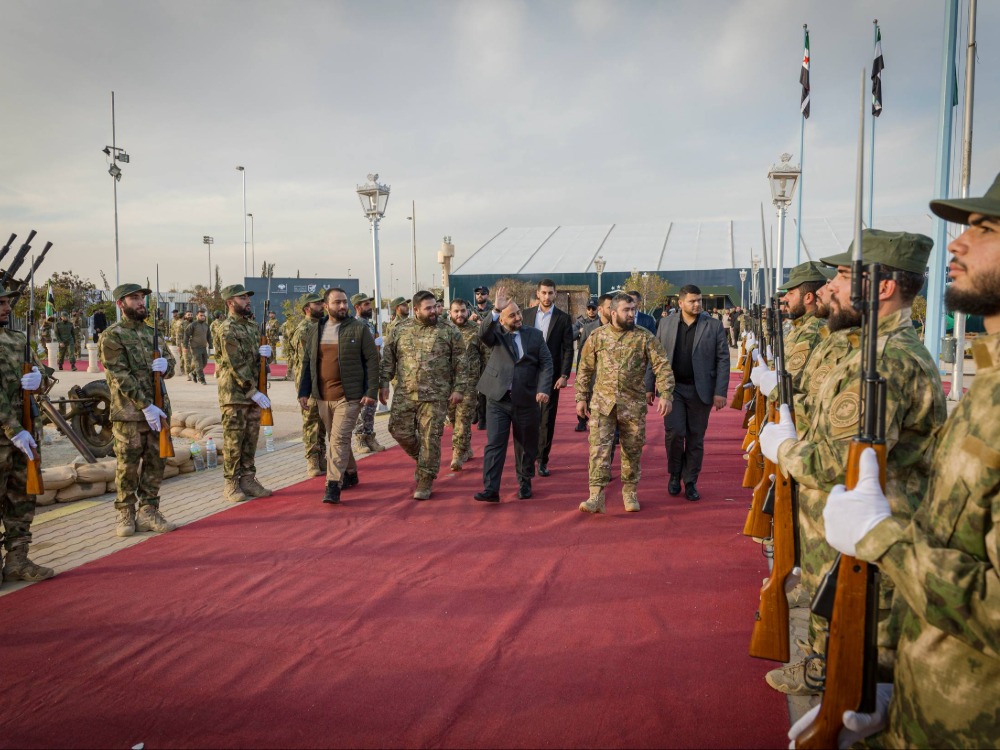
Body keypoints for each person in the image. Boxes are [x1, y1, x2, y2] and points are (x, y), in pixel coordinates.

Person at [789, 173, 1000, 749]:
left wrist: (885, 540)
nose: (957, 244)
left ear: (881, 287)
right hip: (927, 694)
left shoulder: (894, 360)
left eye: (983, 229)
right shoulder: (988, 385)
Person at [760, 230, 946, 697]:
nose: (833, 287)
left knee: (859, 665)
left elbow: (833, 461)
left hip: (869, 539)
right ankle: (825, 671)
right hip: (841, 531)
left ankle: (833, 686)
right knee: (836, 626)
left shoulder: (886, 362)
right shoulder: (868, 349)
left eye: (845, 275)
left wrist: (782, 448)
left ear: (882, 287)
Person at [577, 293, 674, 513]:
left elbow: (662, 366)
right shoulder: (597, 337)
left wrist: (666, 394)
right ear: (613, 313)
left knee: (632, 450)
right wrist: (581, 397)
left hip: (632, 405)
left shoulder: (644, 337)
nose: (631, 314)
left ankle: (630, 492)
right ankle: (596, 496)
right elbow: (584, 369)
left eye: (633, 310)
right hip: (603, 404)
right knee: (598, 450)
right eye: (626, 310)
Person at [98, 284, 179, 537]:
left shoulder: (152, 333)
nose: (141, 302)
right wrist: (146, 406)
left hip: (159, 412)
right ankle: (125, 513)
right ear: (121, 303)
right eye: (134, 298)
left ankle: (149, 510)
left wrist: (167, 365)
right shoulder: (112, 336)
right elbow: (119, 376)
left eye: (142, 298)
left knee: (156, 462)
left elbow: (172, 366)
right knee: (127, 466)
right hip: (130, 414)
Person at [379, 290, 467, 500]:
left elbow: (462, 362)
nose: (433, 311)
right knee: (398, 430)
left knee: (430, 438)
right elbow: (388, 359)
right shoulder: (400, 329)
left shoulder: (448, 330)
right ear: (416, 310)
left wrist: (459, 388)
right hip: (405, 392)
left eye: (435, 307)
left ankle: (425, 479)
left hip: (436, 395)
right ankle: (425, 462)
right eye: (428, 308)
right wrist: (383, 383)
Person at [298, 288, 379, 505]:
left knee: (339, 438)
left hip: (349, 396)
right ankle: (351, 472)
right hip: (323, 397)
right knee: (336, 439)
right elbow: (307, 362)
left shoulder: (359, 329)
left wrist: (371, 392)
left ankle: (333, 485)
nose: (342, 306)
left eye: (344, 302)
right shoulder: (316, 330)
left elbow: (372, 360)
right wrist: (303, 391)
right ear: (326, 306)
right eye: (337, 303)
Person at [648, 284, 729, 501]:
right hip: (672, 390)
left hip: (700, 391)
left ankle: (691, 481)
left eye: (699, 300)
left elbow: (723, 359)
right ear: (680, 303)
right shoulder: (665, 324)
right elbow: (655, 357)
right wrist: (649, 386)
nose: (697, 304)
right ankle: (675, 475)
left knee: (695, 438)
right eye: (693, 301)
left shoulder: (713, 326)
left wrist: (720, 391)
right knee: (674, 433)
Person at [474, 287, 552, 501]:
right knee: (495, 443)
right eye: (512, 315)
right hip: (498, 398)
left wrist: (543, 389)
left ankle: (525, 482)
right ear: (502, 319)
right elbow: (483, 334)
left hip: (526, 399)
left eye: (518, 313)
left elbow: (546, 363)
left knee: (526, 444)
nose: (518, 317)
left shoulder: (535, 335)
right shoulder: (495, 334)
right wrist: (495, 310)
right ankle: (491, 489)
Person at [0, 283, 54, 583]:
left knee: (22, 497)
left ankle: (17, 559)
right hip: (10, 433)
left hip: (24, 433)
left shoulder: (17, 339)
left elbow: (42, 373)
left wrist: (38, 378)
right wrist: (13, 429)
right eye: (2, 304)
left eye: (7, 302)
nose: (8, 308)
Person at [215, 284, 274, 503]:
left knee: (251, 438)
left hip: (254, 393)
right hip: (235, 395)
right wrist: (252, 391)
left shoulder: (251, 327)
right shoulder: (227, 328)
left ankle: (248, 478)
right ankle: (231, 483)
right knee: (234, 440)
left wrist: (267, 354)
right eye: (242, 298)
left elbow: (256, 361)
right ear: (230, 302)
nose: (247, 301)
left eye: (247, 298)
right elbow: (235, 363)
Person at [520, 279, 573, 477]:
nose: (547, 297)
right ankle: (527, 457)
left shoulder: (563, 318)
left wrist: (565, 375)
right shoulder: (526, 315)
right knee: (527, 417)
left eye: (551, 293)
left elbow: (568, 348)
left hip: (551, 374)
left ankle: (542, 460)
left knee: (547, 419)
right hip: (527, 374)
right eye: (544, 293)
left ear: (555, 294)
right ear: (538, 293)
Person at [448, 298, 488, 472]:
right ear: (450, 312)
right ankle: (466, 446)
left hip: (470, 382)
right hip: (448, 383)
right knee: (453, 418)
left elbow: (485, 354)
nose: (460, 314)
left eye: (463, 311)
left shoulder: (476, 330)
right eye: (456, 311)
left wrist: (487, 379)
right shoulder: (444, 330)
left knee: (463, 418)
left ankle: (457, 453)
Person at [291, 293, 327, 478]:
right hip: (309, 384)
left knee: (321, 423)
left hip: (322, 382)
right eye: (318, 304)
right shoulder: (305, 329)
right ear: (307, 308)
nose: (322, 306)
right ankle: (312, 461)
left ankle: (322, 458)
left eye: (322, 302)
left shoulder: (321, 326)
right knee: (311, 423)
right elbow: (308, 361)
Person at [351, 293, 386, 455]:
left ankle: (370, 436)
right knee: (362, 406)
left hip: (372, 370)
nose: (369, 307)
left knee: (371, 406)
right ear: (357, 307)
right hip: (361, 371)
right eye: (365, 305)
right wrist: (373, 343)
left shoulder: (370, 324)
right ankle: (359, 438)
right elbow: (357, 348)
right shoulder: (354, 325)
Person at [575, 293, 612, 432]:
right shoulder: (589, 329)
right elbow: (582, 358)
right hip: (594, 382)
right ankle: (582, 421)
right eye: (610, 307)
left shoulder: (621, 329)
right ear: (601, 309)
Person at [471, 286, 493, 429]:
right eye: (477, 293)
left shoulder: (493, 311)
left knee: (486, 389)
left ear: (487, 295)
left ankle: (485, 418)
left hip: (488, 353)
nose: (480, 296)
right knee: (474, 388)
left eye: (483, 293)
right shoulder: (470, 311)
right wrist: (470, 320)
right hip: (474, 354)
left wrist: (481, 323)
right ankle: (477, 414)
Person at [183, 309, 211, 384]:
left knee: (204, 363)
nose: (202, 317)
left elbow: (209, 336)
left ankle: (193, 373)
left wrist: (210, 345)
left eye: (203, 316)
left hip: (203, 347)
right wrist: (185, 346)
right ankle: (202, 379)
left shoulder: (206, 325)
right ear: (197, 316)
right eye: (201, 315)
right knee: (198, 363)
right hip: (195, 347)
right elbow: (186, 335)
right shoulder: (193, 325)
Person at [281, 312, 300, 381]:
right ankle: (290, 374)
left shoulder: (284, 324)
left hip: (287, 343)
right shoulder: (292, 324)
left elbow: (283, 334)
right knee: (292, 358)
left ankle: (289, 374)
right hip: (291, 343)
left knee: (289, 358)